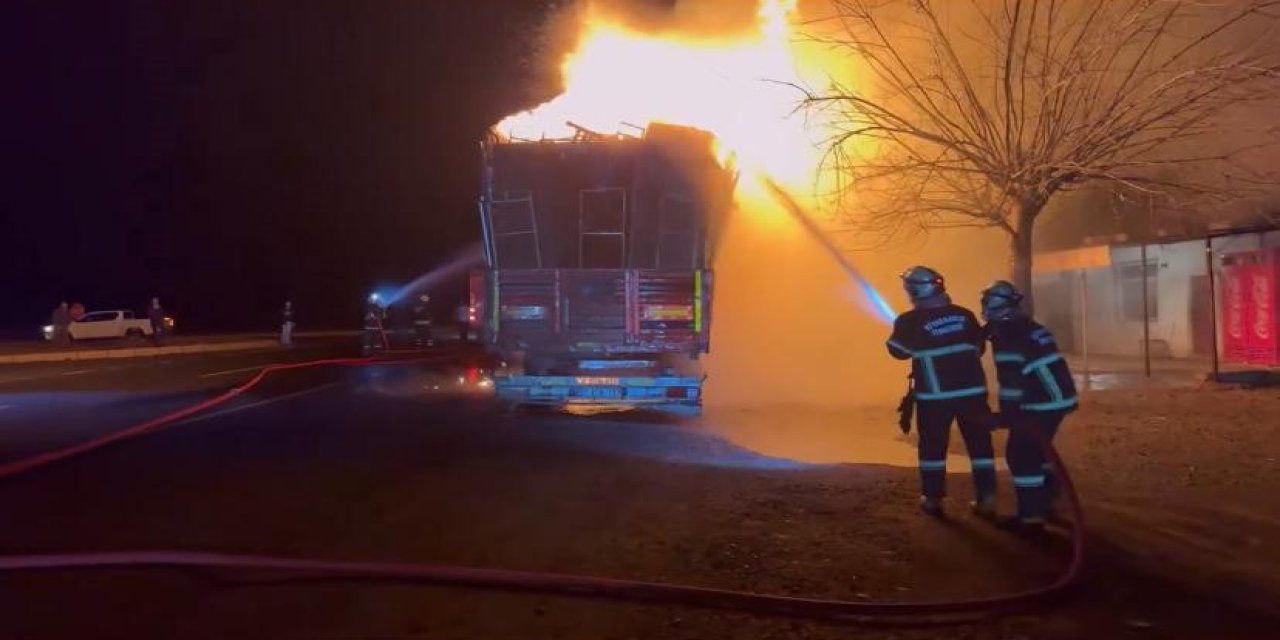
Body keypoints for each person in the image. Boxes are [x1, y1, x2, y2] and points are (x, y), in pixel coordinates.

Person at [886, 266, 997, 518]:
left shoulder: (908, 321)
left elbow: (897, 351)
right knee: (980, 447)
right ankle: (987, 499)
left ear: (915, 289)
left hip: (935, 398)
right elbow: (978, 348)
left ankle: (934, 499)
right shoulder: (965, 315)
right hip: (973, 393)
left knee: (933, 449)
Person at [981, 280, 1078, 532]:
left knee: (1021, 455)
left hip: (1040, 402)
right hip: (1058, 397)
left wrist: (1007, 416)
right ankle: (1047, 501)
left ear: (995, 306)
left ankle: (1031, 518)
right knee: (1038, 451)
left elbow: (1012, 383)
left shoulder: (1008, 336)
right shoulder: (1028, 327)